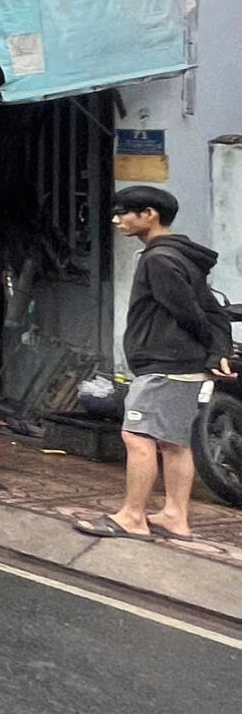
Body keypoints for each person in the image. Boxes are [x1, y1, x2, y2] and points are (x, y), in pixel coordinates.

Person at [75, 187, 235, 542]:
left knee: (137, 436)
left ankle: (132, 517)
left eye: (124, 212)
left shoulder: (159, 259)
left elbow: (190, 313)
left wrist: (213, 349)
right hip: (182, 364)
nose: (116, 220)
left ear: (150, 214)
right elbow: (211, 310)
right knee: (174, 443)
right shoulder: (180, 255)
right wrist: (216, 350)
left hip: (165, 364)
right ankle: (175, 517)